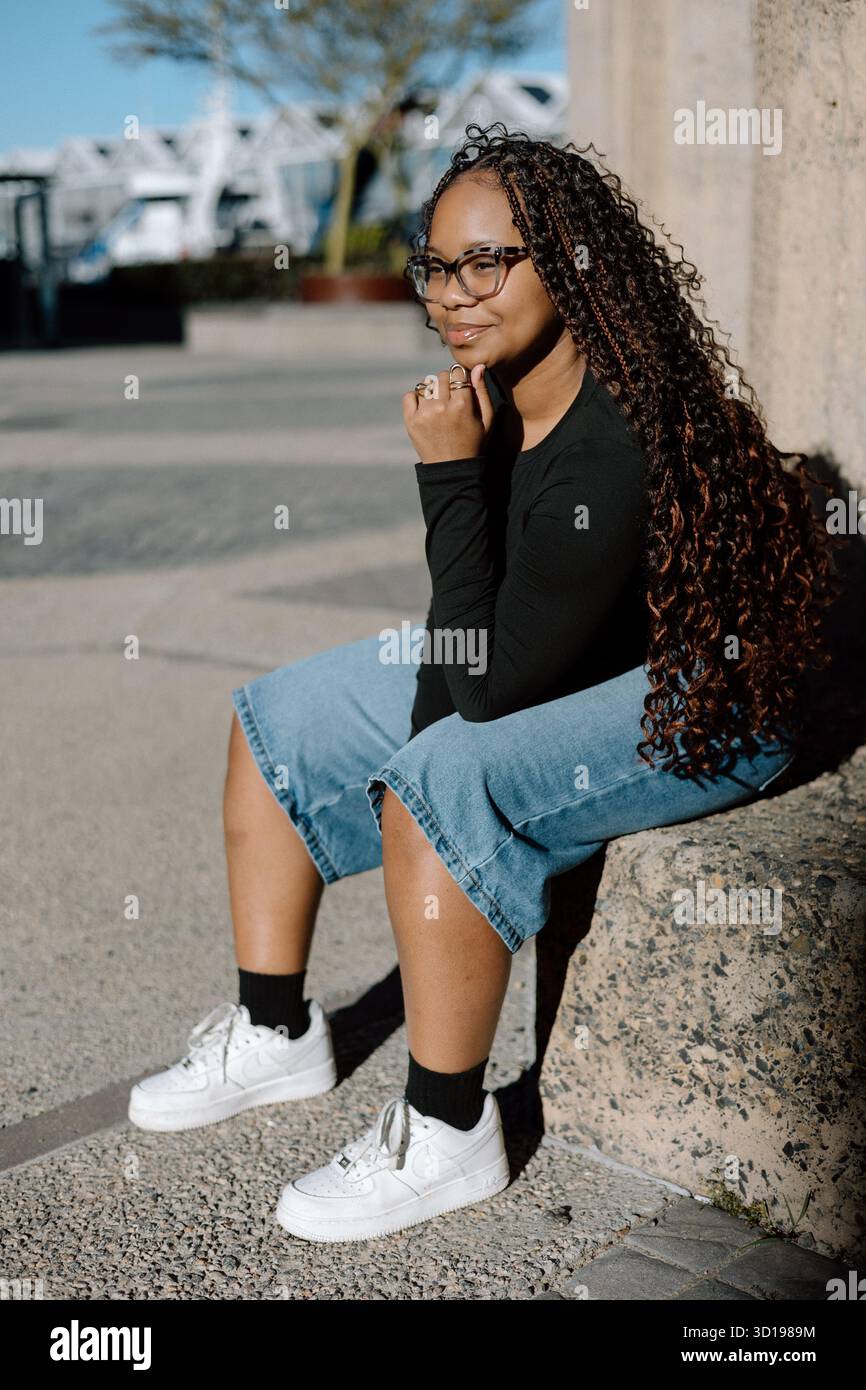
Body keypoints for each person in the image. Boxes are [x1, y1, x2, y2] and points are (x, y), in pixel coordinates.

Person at [127, 124, 838, 1245]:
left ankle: (449, 1126)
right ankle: (275, 1031)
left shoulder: (610, 445)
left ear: (568, 260)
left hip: (711, 701)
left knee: (443, 776)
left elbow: (476, 694)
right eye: (433, 267)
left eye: (484, 263)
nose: (450, 295)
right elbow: (480, 644)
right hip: (556, 652)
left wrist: (447, 474)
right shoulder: (500, 389)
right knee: (281, 718)